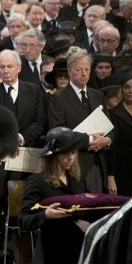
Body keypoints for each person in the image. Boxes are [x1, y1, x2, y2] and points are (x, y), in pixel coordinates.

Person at [0, 49, 45, 263]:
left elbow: (40, 123)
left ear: (19, 68)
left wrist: (21, 137)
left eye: (10, 66)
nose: (6, 71)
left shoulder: (34, 90)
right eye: (2, 67)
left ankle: (16, 250)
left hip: (25, 155)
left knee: (19, 203)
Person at [49, 48, 115, 194]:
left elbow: (110, 128)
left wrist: (107, 141)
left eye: (87, 69)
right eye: (79, 70)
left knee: (98, 210)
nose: (84, 73)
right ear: (70, 71)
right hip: (74, 163)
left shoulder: (97, 95)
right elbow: (59, 132)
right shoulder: (58, 98)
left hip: (99, 163)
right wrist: (90, 140)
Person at [19, 126, 87, 264]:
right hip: (51, 250)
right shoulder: (38, 181)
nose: (70, 158)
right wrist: (45, 215)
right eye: (65, 153)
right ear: (53, 156)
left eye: (73, 153)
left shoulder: (78, 179)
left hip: (76, 248)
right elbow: (23, 220)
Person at [107, 72, 132, 196]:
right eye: (126, 87)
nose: (130, 91)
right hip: (122, 172)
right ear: (121, 90)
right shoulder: (113, 113)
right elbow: (112, 148)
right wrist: (111, 177)